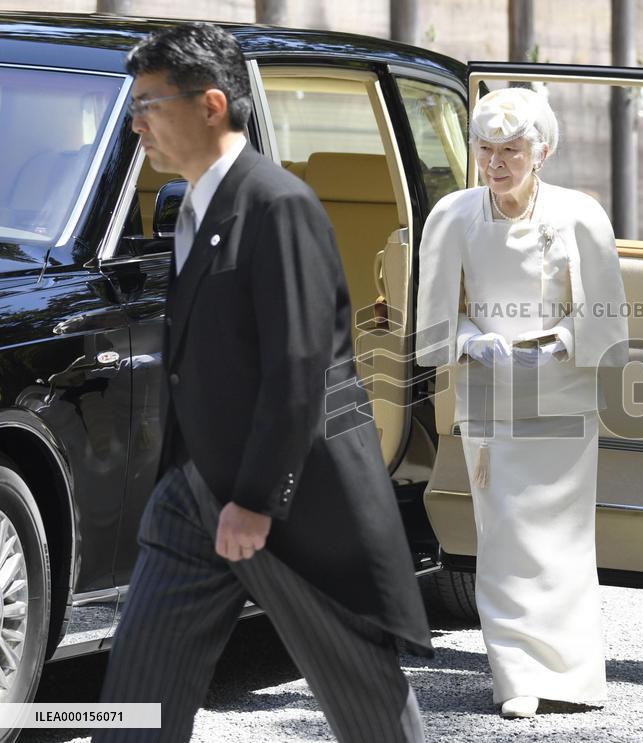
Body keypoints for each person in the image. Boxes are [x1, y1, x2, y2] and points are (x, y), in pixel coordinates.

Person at [94, 23, 431, 742]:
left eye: (149, 104)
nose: (135, 123)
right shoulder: (193, 205)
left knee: (366, 700)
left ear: (210, 105)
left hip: (291, 502)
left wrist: (254, 499)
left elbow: (298, 365)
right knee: (139, 689)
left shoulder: (278, 205)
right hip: (195, 494)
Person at [415, 87, 628, 718]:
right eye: (487, 150)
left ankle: (574, 676)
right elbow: (432, 327)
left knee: (561, 538)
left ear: (543, 152)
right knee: (504, 536)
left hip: (562, 393)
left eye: (512, 150)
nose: (498, 163)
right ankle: (517, 678)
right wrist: (474, 341)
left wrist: (563, 340)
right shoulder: (452, 215)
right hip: (492, 396)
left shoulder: (579, 213)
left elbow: (606, 314)